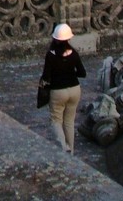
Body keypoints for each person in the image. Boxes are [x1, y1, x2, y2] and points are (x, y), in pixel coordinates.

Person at [40, 22, 86, 154]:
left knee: (56, 120)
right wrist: (70, 73)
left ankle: (63, 146)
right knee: (69, 121)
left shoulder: (51, 55)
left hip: (58, 91)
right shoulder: (74, 54)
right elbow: (82, 73)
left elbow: (46, 77)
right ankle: (71, 150)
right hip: (75, 89)